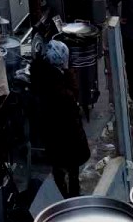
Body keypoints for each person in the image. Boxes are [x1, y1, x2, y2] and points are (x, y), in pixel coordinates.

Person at [31, 40, 90, 197]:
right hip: (66, 132)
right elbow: (71, 102)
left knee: (57, 164)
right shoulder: (59, 87)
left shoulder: (41, 77)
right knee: (71, 166)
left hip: (51, 132)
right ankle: (71, 195)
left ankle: (62, 192)